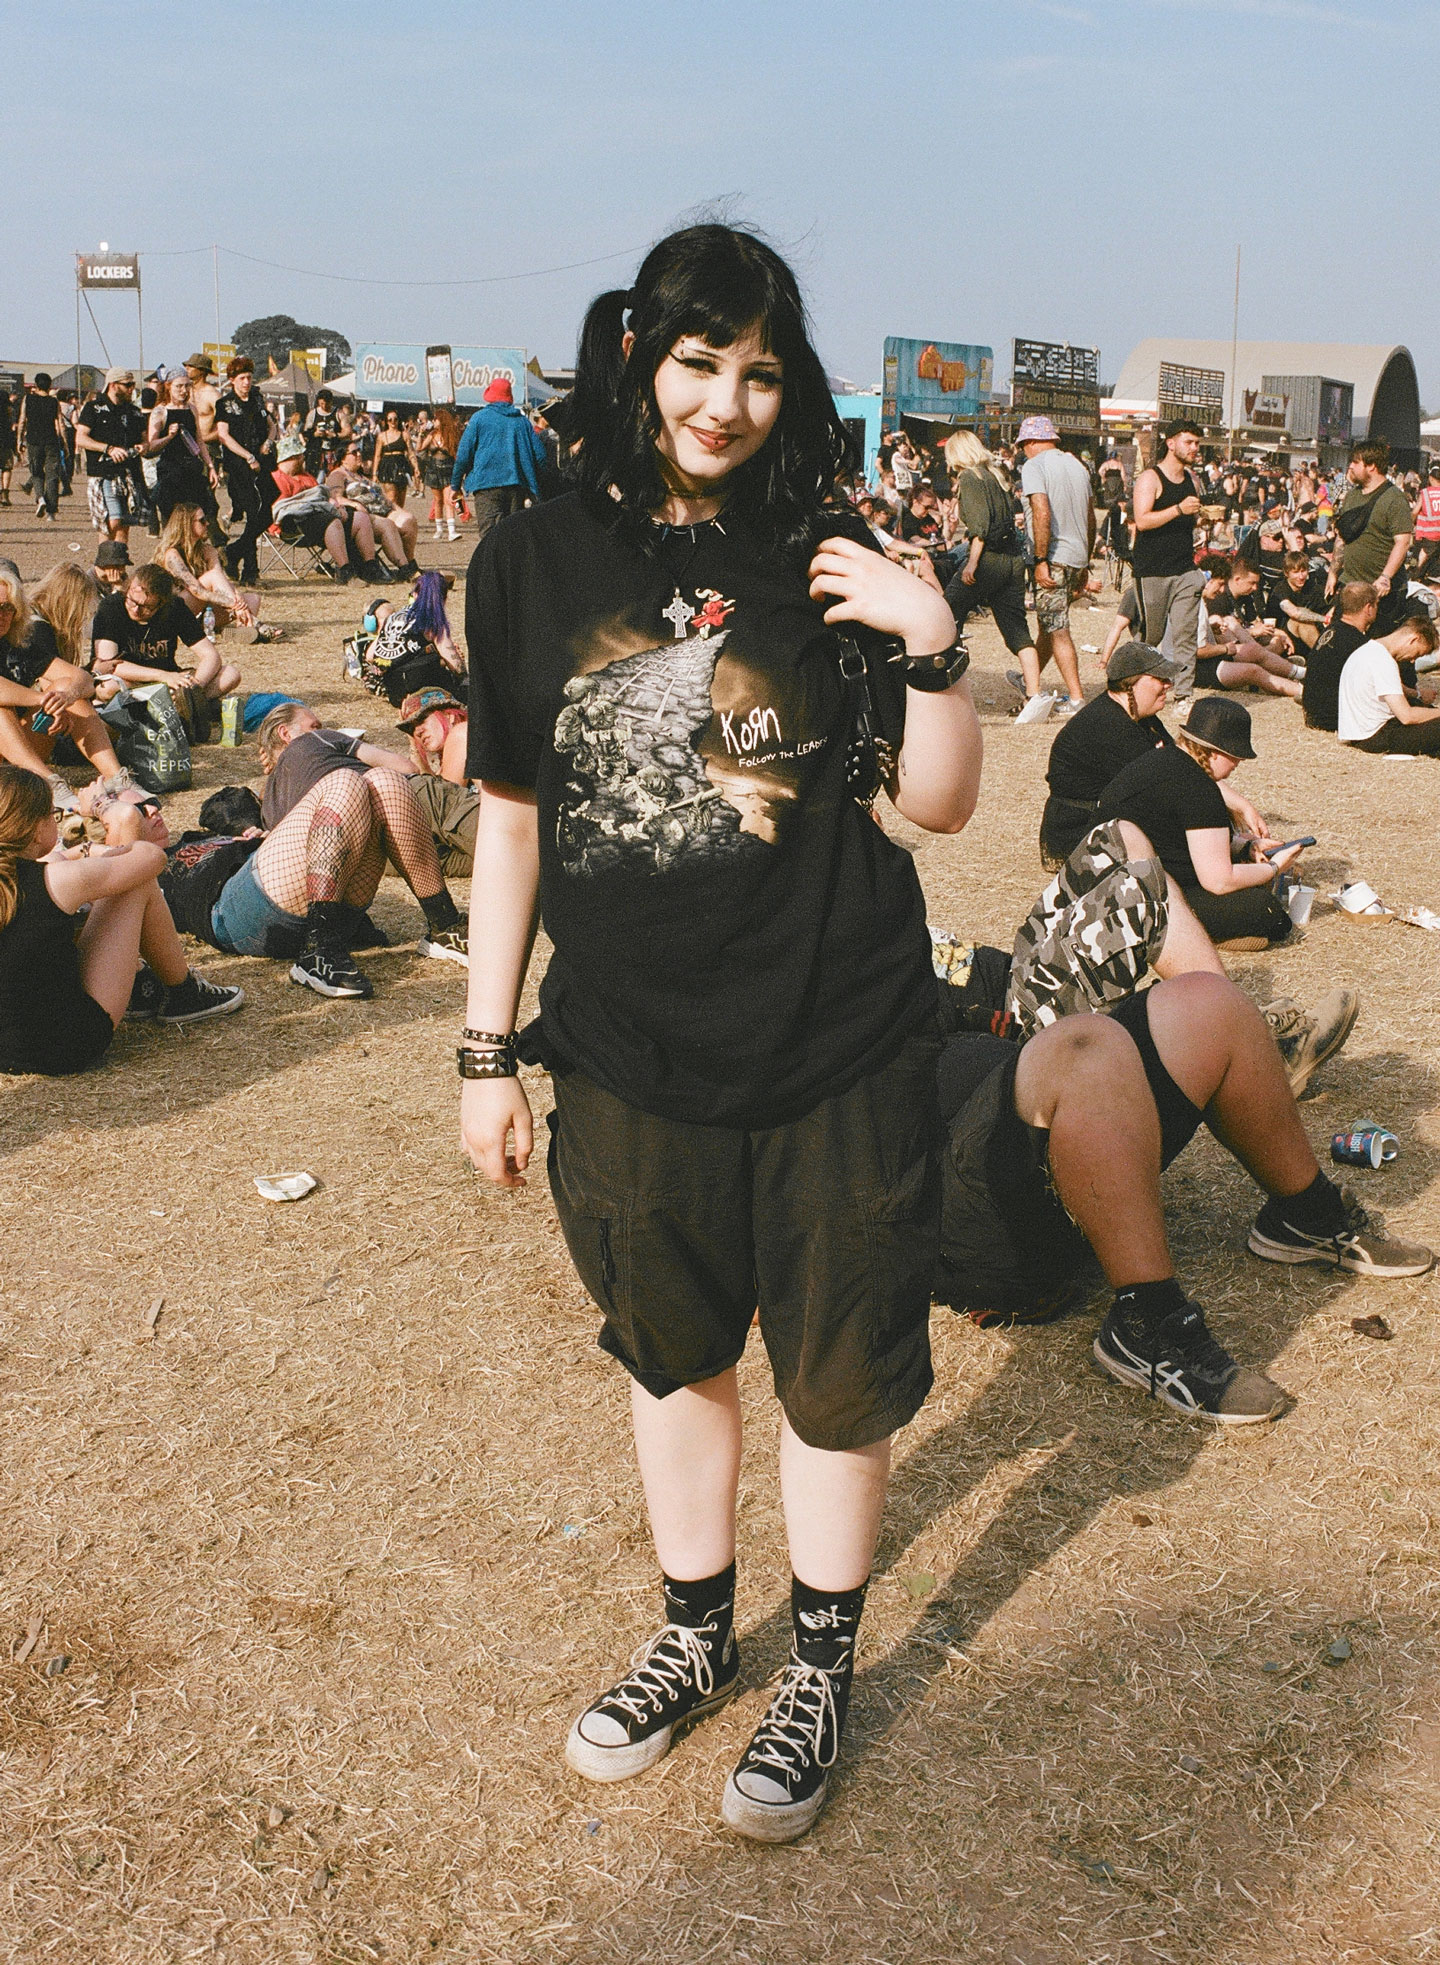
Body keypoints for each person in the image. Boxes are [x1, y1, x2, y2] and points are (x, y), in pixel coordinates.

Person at [460, 224, 981, 1844]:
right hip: (627, 1055)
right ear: (638, 359)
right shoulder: (533, 559)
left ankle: (819, 1664)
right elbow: (509, 823)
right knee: (672, 1357)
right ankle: (695, 1638)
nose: (728, 399)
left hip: (837, 1048)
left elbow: (936, 806)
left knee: (836, 1383)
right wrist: (485, 1051)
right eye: (701, 361)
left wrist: (934, 634)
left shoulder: (829, 556)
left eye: (762, 369)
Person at [933, 968, 1430, 1419]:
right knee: (1086, 1047)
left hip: (1024, 1110)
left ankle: (1306, 1215)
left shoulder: (883, 895)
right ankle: (1148, 1323)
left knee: (1208, 1001)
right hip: (968, 1204)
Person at [0, 764, 242, 1076]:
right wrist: (110, 814)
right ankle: (184, 994)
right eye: (51, 814)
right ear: (34, 828)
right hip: (66, 1047)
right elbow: (151, 858)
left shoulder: (47, 876)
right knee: (134, 881)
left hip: (6, 1051)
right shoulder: (57, 879)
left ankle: (143, 985)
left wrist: (80, 854)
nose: (56, 822)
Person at [214, 701, 468, 992]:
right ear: (286, 733)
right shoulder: (317, 742)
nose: (320, 730)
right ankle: (318, 951)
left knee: (372, 784)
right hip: (272, 909)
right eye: (314, 725)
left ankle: (444, 924)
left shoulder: (271, 794)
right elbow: (405, 767)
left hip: (306, 911)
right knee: (377, 780)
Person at [1098, 695, 1302, 950]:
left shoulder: (1159, 760)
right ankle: (1195, 932)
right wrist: (1274, 867)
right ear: (1216, 752)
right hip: (1139, 897)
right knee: (1269, 914)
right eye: (1236, 756)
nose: (1238, 764)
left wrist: (1245, 848)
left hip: (1103, 879)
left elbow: (1176, 835)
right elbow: (1218, 881)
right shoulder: (1200, 790)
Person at [940, 431, 1048, 721]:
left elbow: (980, 528)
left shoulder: (968, 478)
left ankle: (943, 691)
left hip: (987, 559)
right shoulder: (996, 474)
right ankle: (1035, 695)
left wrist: (972, 564)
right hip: (1013, 559)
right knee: (1017, 630)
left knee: (945, 616)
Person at [1039, 639, 1177, 866]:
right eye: (1160, 678)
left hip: (1106, 823)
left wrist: (1240, 806)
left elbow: (1182, 766)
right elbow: (1166, 789)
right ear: (1130, 684)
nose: (1168, 684)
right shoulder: (1110, 726)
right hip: (1079, 835)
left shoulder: (1140, 716)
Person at [0, 566, 130, 800]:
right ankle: (49, 784)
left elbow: (84, 680)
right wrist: (45, 700)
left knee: (69, 691)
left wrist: (64, 698)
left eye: (7, 608)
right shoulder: (40, 629)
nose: (2, 615)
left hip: (17, 750)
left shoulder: (18, 641)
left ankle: (118, 780)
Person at [91, 563, 242, 721]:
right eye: (132, 601)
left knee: (230, 674)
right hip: (131, 682)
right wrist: (163, 676)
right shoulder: (111, 607)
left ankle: (182, 705)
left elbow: (210, 655)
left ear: (162, 603)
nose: (136, 610)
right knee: (108, 688)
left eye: (146, 607)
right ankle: (179, 709)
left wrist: (193, 688)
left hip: (170, 684)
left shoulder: (175, 608)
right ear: (128, 589)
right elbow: (109, 665)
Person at [1018, 413, 1094, 715]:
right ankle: (1029, 678)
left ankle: (1076, 698)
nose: (1022, 451)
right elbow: (1090, 516)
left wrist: (1040, 560)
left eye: (1023, 444)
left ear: (1032, 442)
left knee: (1058, 630)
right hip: (1077, 556)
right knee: (1049, 624)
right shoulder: (1078, 465)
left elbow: (1041, 512)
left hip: (1054, 558)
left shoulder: (1034, 466)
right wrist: (1086, 560)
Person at [1130, 419, 1206, 700]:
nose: (1195, 448)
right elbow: (1142, 520)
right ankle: (1133, 684)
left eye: (1197, 443)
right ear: (1171, 443)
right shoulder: (1151, 478)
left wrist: (1202, 520)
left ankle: (1184, 695)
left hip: (1185, 569)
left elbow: (1188, 519)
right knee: (1151, 636)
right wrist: (1177, 509)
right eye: (1189, 442)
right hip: (1152, 570)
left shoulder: (1192, 480)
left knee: (1185, 637)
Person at [270, 435, 392, 585]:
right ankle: (345, 571)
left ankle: (370, 567)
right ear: (291, 457)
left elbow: (324, 496)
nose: (303, 458)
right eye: (300, 455)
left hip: (320, 518)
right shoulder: (276, 479)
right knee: (332, 521)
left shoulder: (306, 477)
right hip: (292, 525)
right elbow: (280, 510)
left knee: (360, 518)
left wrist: (336, 506)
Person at [158, 503, 277, 640]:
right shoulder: (172, 554)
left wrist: (238, 599)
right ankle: (256, 624)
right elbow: (197, 590)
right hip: (173, 613)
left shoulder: (207, 550)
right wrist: (234, 605)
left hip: (199, 611)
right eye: (202, 521)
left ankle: (241, 631)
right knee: (211, 578)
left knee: (253, 599)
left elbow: (222, 581)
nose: (208, 523)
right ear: (187, 524)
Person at [451, 378, 547, 544]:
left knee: (489, 538)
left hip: (486, 485)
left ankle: (490, 569)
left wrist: (455, 484)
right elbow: (540, 455)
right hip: (516, 486)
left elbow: (463, 455)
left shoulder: (478, 419)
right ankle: (511, 569)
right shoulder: (522, 422)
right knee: (512, 536)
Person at [1333, 441, 1414, 634]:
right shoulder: (1352, 496)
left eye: (1355, 462)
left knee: (1376, 648)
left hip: (1380, 593)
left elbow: (1402, 542)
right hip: (1350, 586)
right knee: (1342, 642)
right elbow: (1342, 536)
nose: (1350, 466)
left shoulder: (1394, 498)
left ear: (1371, 466)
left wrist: (1385, 577)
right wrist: (1333, 572)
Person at [398, 686, 479, 877]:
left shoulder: (462, 733)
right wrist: (414, 745)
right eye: (411, 728)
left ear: (450, 716)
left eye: (422, 720)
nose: (417, 731)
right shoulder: (460, 745)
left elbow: (440, 801)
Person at [1337, 613, 1440, 755]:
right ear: (1413, 639)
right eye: (1417, 654)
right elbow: (1407, 716)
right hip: (1375, 736)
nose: (1412, 660)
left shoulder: (1366, 650)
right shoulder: (1383, 661)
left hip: (1358, 733)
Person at [214, 357, 278, 584]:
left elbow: (272, 426)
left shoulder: (258, 400)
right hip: (239, 466)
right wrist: (247, 456)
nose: (246, 382)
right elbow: (223, 435)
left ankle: (232, 553)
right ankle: (251, 571)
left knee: (265, 515)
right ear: (232, 380)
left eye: (249, 377)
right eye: (241, 378)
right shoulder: (225, 404)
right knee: (252, 513)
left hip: (262, 463)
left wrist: (268, 442)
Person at [1197, 562, 1303, 698]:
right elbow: (1197, 651)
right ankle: (1306, 692)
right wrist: (1225, 649)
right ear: (1207, 581)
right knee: (1253, 670)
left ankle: (1303, 674)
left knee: (1254, 648)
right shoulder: (1202, 605)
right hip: (1197, 667)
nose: (1222, 590)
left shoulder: (1202, 603)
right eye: (1220, 584)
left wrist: (1211, 628)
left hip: (1215, 655)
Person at [358, 570, 463, 704]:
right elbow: (454, 664)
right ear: (443, 598)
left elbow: (370, 656)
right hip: (420, 689)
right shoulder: (433, 619)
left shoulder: (393, 618)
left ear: (414, 594)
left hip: (394, 691)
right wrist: (464, 678)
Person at [76, 368, 152, 543]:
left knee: (124, 523)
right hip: (104, 473)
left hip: (129, 474)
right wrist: (108, 449)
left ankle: (119, 564)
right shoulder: (93, 408)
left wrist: (143, 446)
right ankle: (105, 563)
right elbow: (80, 438)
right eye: (127, 385)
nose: (132, 389)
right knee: (111, 521)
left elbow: (145, 440)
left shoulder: (134, 412)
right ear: (113, 385)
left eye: (133, 384)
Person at [325, 441, 420, 575]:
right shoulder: (338, 475)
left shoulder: (362, 476)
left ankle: (411, 563)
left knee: (409, 520)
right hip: (362, 516)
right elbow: (336, 498)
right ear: (343, 458)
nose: (359, 454)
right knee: (388, 525)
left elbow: (384, 498)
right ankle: (404, 568)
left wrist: (398, 510)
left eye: (359, 451)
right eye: (353, 452)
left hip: (383, 511)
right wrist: (355, 504)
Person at [1304, 581, 1378, 732]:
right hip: (1334, 717)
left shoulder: (1330, 631)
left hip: (1313, 712)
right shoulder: (1359, 643)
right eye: (1376, 605)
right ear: (1369, 608)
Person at [147, 373, 220, 525]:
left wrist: (211, 466)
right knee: (172, 516)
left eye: (187, 386)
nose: (183, 390)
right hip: (170, 468)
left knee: (198, 512)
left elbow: (199, 440)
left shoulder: (191, 409)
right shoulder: (160, 411)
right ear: (168, 387)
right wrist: (168, 437)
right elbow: (152, 445)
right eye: (179, 386)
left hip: (192, 467)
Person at [18, 374, 67, 522]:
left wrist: (19, 440)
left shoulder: (28, 399)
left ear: (36, 385)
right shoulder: (54, 401)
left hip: (33, 441)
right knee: (52, 475)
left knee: (36, 472)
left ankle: (40, 498)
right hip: (51, 441)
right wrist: (65, 443)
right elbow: (61, 424)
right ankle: (51, 513)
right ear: (50, 385)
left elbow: (22, 420)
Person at [418, 407, 462, 540]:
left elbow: (457, 453)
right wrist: (421, 434)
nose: (433, 421)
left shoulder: (451, 435)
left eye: (436, 419)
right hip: (433, 469)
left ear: (442, 420)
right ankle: (439, 529)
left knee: (449, 500)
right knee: (438, 501)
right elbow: (419, 449)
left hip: (448, 469)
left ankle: (452, 531)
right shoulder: (431, 435)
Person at [373, 409, 415, 509]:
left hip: (401, 466)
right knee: (391, 498)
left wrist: (416, 467)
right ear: (386, 421)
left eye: (395, 419)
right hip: (387, 466)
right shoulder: (382, 436)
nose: (393, 422)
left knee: (400, 500)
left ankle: (399, 521)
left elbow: (411, 453)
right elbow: (377, 456)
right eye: (390, 419)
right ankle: (391, 520)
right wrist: (375, 473)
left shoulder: (404, 435)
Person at [1411, 462, 1440, 585]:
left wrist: (1411, 523)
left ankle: (1416, 579)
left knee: (1422, 559)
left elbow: (1415, 511)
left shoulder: (1425, 493)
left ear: (1431, 478)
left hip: (1429, 533)